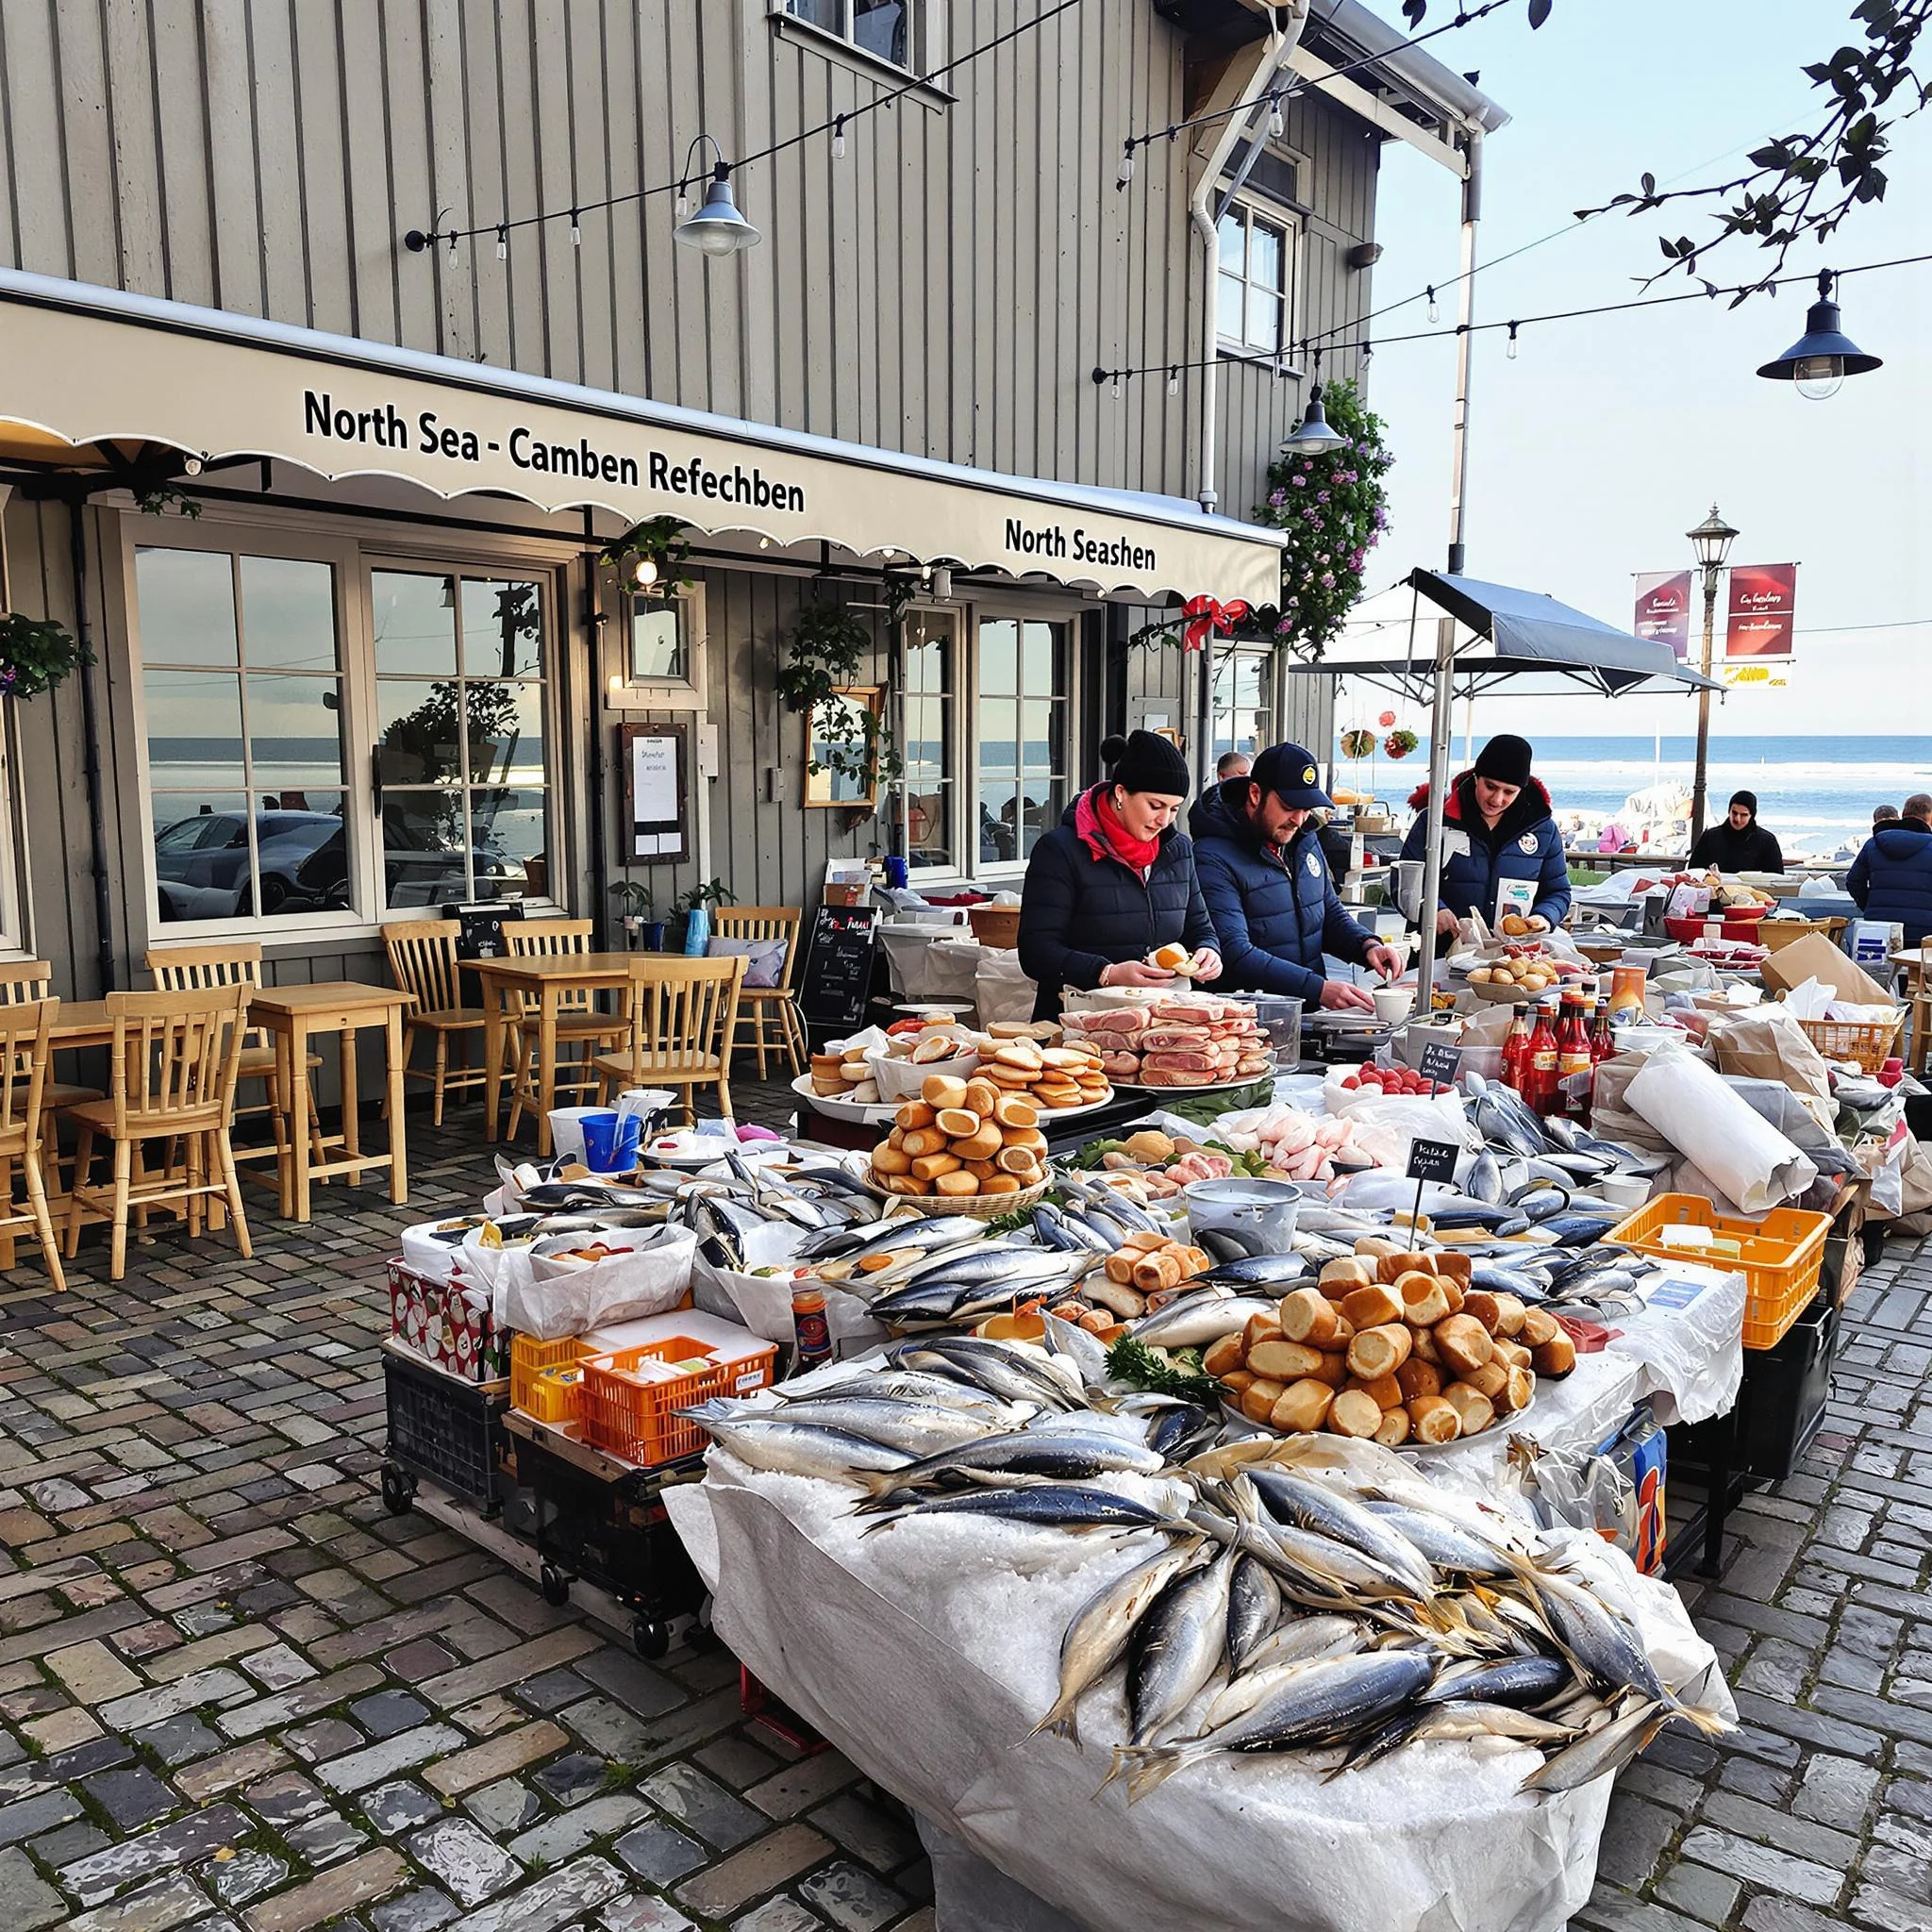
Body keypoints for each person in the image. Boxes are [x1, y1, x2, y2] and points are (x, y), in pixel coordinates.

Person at [1018, 729, 1222, 1021]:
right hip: (1077, 1023)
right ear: (1120, 794)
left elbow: (1200, 927)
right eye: (1155, 806)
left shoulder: (1179, 850)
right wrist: (1106, 973)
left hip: (1160, 1021)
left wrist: (1208, 951)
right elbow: (1036, 952)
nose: (1164, 820)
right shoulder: (1060, 850)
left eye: (1174, 809)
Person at [1190, 742, 1403, 1010]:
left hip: (1308, 1014)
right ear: (1255, 794)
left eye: (1307, 808)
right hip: (1245, 1019)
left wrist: (1367, 945)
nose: (1299, 820)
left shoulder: (1305, 840)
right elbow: (1234, 951)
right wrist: (1317, 988)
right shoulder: (1211, 856)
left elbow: (1328, 911)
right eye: (1289, 806)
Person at [1398, 733, 1571, 936]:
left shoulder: (1544, 830)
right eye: (1490, 787)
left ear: (1521, 790)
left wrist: (1544, 917)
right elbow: (1405, 881)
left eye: (1509, 792)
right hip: (1437, 945)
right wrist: (1433, 908)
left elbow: (1558, 892)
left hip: (1512, 948)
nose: (1497, 799)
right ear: (1476, 777)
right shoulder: (1434, 821)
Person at [1848, 792, 1932, 945]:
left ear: (1903, 814)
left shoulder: (1874, 843)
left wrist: (1871, 906)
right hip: (1924, 931)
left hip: (1879, 926)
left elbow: (1854, 881)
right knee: (1920, 961)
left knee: (1878, 962)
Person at [1688, 790, 1785, 874]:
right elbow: (1694, 872)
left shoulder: (1767, 841)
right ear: (1729, 811)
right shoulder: (1710, 837)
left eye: (1743, 815)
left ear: (1752, 816)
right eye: (1734, 813)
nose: (1737, 819)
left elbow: (1776, 878)